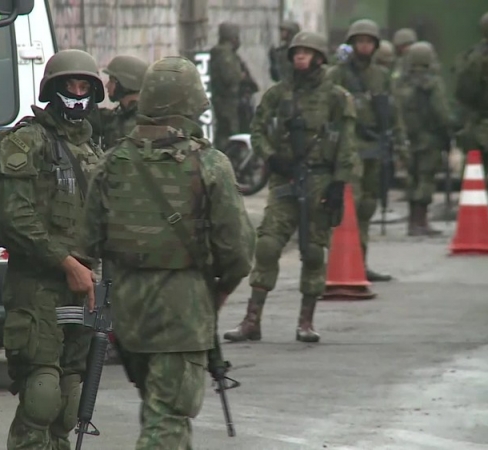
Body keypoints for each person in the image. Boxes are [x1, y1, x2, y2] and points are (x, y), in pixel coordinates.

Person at [82, 56, 256, 449]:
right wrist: (219, 292)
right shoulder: (210, 164)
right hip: (184, 311)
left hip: (130, 314)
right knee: (168, 419)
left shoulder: (112, 164)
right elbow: (239, 251)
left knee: (159, 409)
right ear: (190, 105)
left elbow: (87, 243)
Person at [0, 48, 105, 450]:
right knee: (41, 394)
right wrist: (64, 262)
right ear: (53, 89)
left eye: (84, 87)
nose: (77, 95)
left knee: (71, 401)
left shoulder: (94, 149)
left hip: (85, 286)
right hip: (37, 286)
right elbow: (15, 217)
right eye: (70, 86)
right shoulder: (28, 141)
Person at [223, 31, 356, 344]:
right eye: (297, 52)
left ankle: (306, 322)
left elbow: (347, 143)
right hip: (286, 178)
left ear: (319, 57)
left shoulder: (337, 96)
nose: (300, 56)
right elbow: (256, 130)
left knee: (312, 251)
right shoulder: (277, 94)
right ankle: (251, 320)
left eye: (307, 52)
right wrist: (272, 157)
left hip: (321, 179)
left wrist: (339, 182)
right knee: (267, 245)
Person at [326, 19, 407, 282]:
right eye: (360, 41)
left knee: (368, 205)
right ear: (352, 43)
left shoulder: (381, 75)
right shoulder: (337, 74)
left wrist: (399, 140)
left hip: (375, 145)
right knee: (351, 202)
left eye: (369, 41)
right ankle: (341, 261)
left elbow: (393, 112)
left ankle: (360, 261)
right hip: (349, 146)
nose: (364, 46)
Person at [394, 41, 453, 236]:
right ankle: (421, 221)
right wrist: (447, 135)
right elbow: (441, 112)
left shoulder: (400, 82)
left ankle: (413, 222)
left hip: (408, 139)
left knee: (413, 178)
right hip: (430, 139)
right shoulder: (432, 83)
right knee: (426, 179)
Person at [454, 9, 488, 230]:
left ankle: (474, 226)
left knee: (473, 178)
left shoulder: (471, 56)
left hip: (476, 125)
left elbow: (462, 93)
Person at [210, 21, 259, 149]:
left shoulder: (223, 53)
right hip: (228, 103)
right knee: (230, 135)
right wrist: (241, 76)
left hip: (228, 102)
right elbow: (231, 77)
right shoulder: (224, 54)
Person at [88, 54, 149, 150]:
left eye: (112, 81)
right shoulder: (117, 116)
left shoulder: (142, 122)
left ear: (126, 83)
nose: (107, 85)